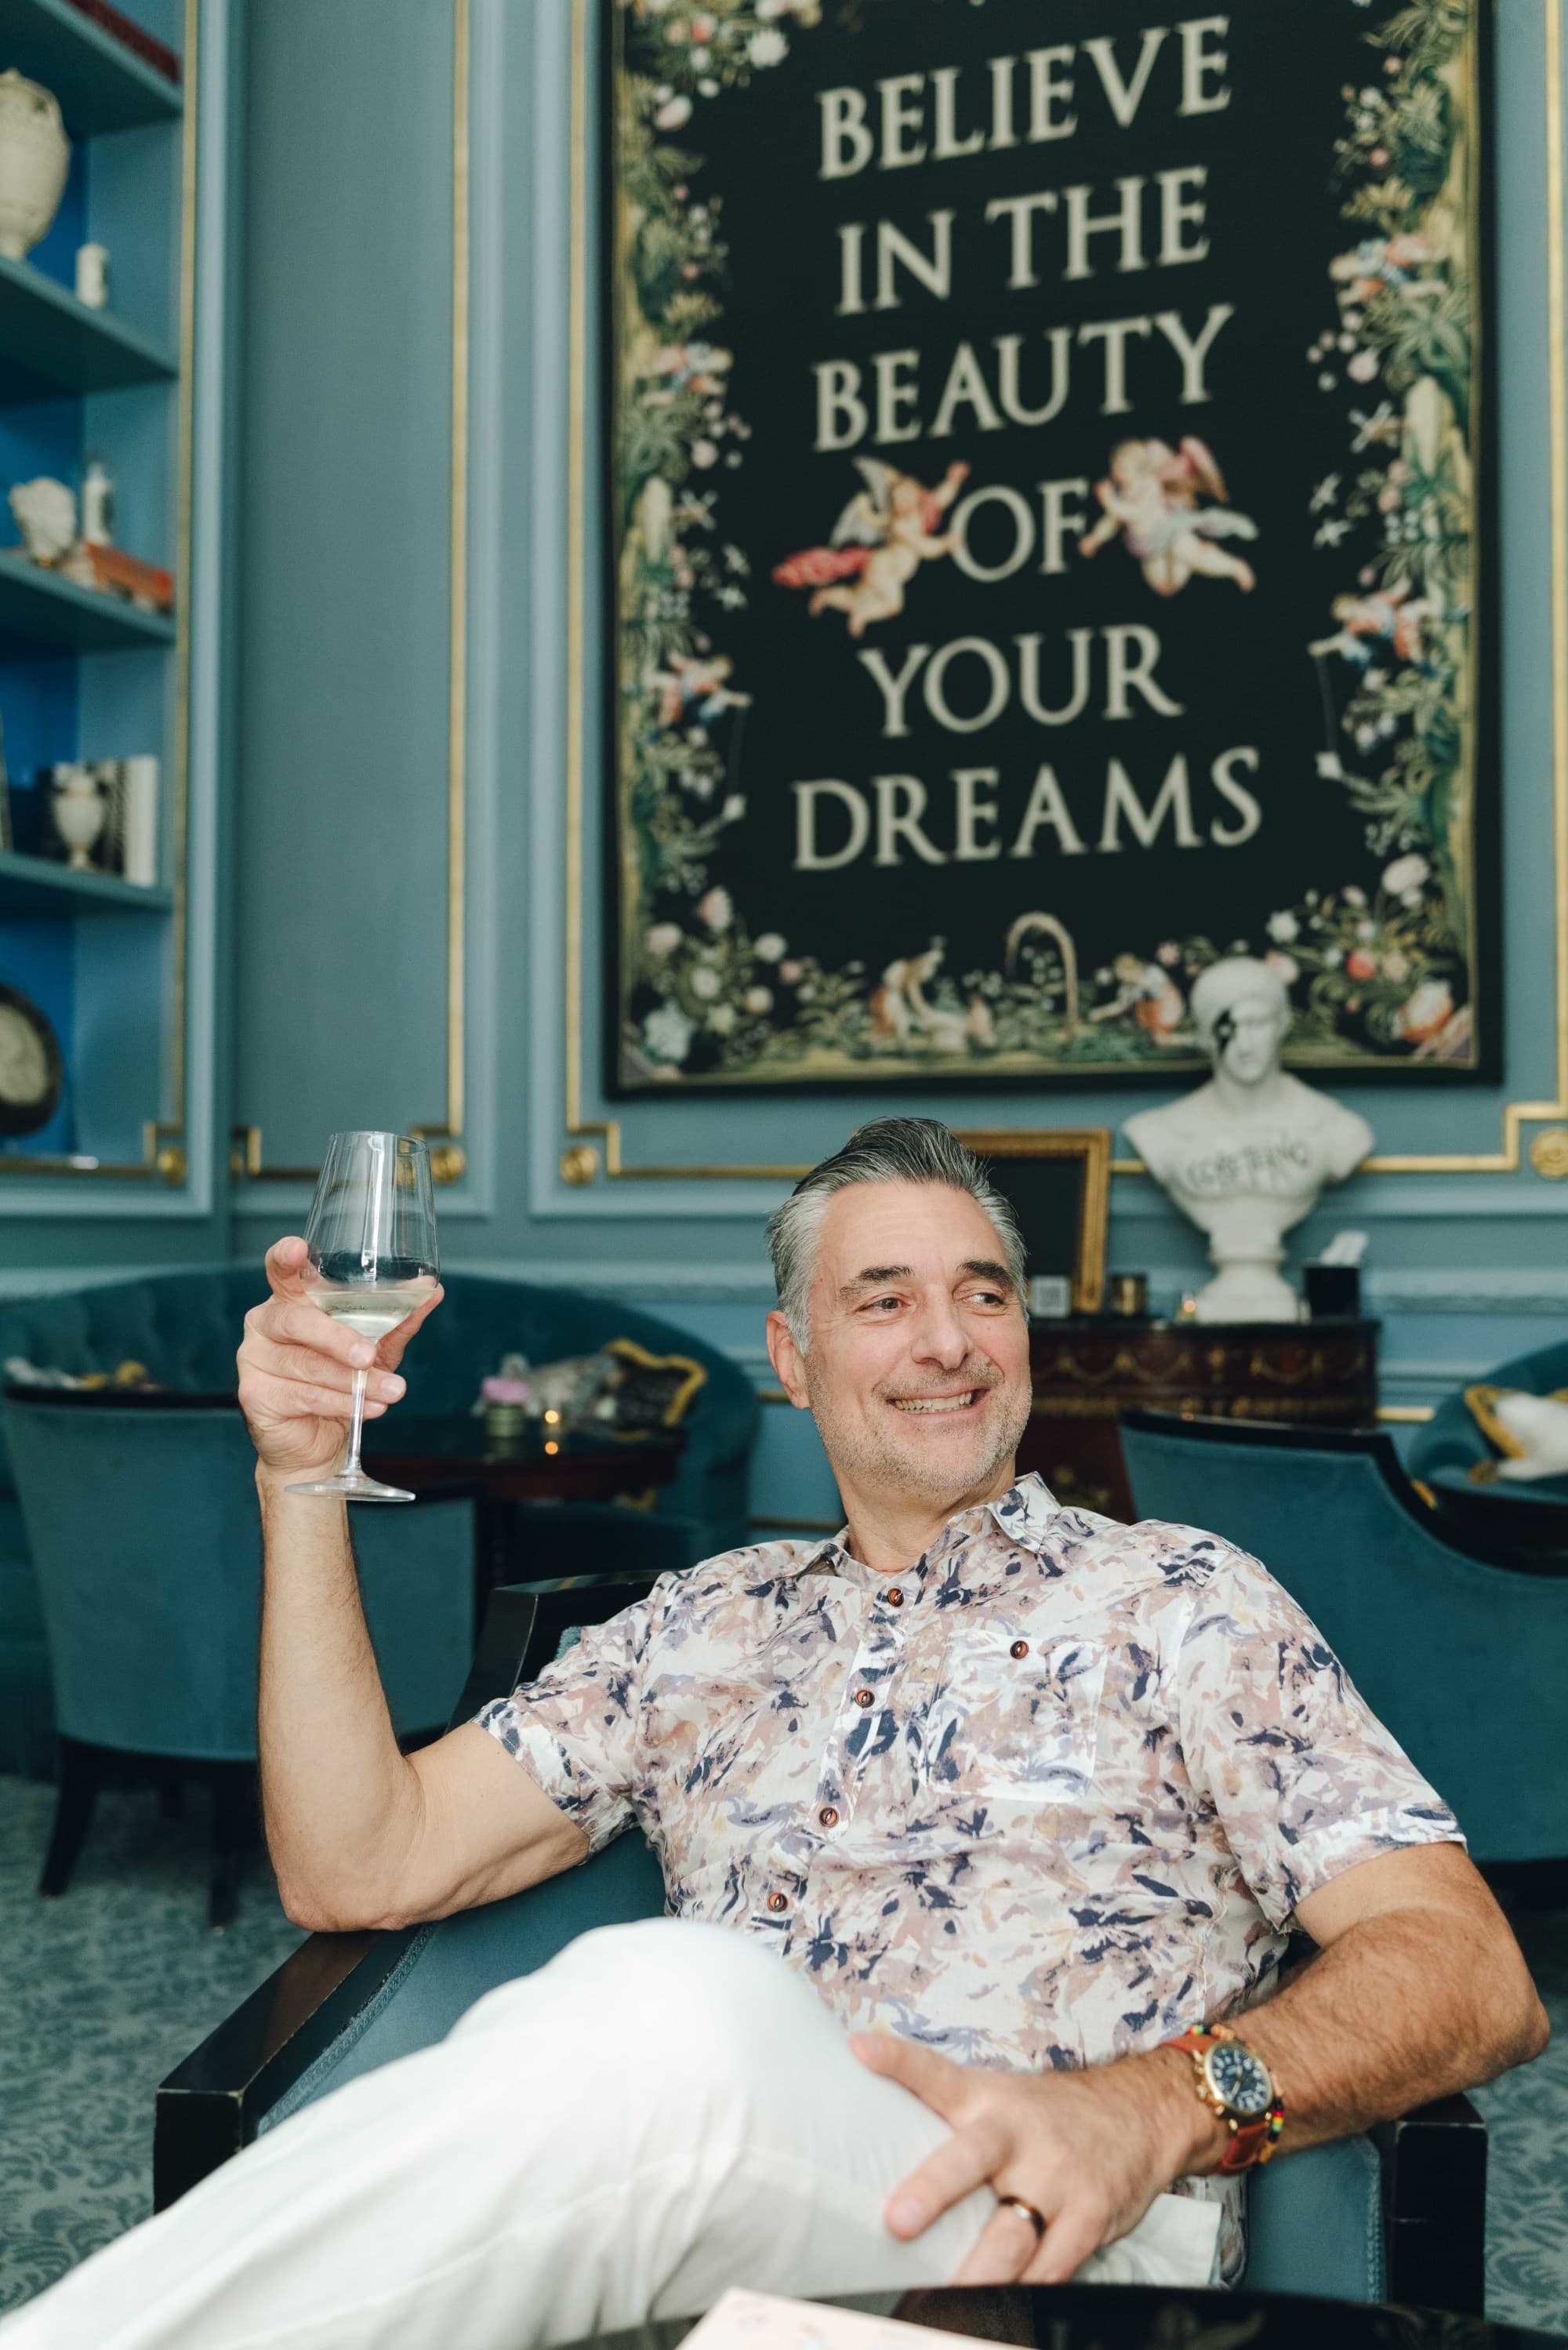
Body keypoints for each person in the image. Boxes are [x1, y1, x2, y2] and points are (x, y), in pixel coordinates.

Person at [4, 1120, 1546, 2350]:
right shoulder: (698, 1626)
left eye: (982, 1291)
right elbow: (358, 1861)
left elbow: (1470, 1975)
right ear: (793, 1356)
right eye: (883, 1298)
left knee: (677, 2002)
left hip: (1038, 2241)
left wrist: (1152, 2107)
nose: (945, 1338)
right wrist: (296, 1479)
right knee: (679, 2020)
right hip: (730, 2253)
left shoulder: (1183, 1600)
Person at [1124, 957, 1374, 1322]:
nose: (1243, 1043)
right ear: (1206, 1035)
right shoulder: (1160, 1133)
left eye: (1256, 1023)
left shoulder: (1337, 1129)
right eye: (1226, 1027)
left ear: (1283, 1024)